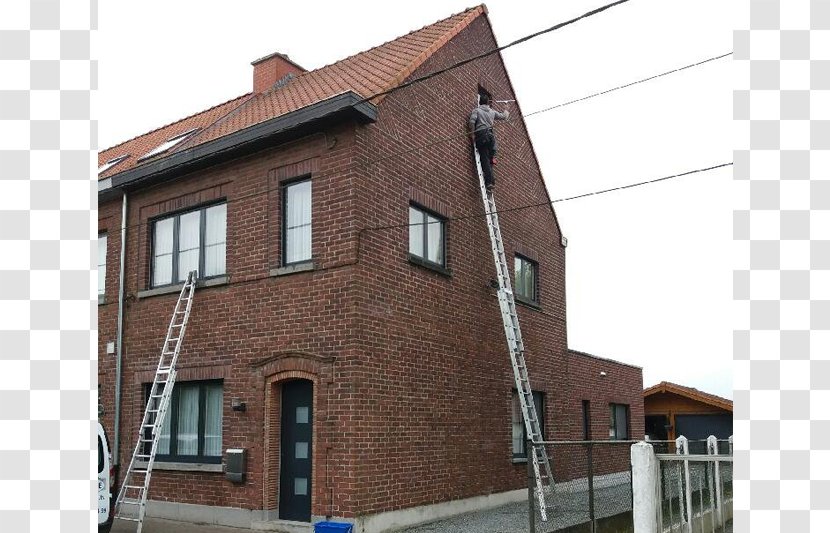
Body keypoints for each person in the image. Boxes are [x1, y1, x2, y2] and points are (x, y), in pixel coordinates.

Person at [468, 94, 509, 190]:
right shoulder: (492, 112)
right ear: (487, 103)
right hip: (490, 136)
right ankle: (493, 159)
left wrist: (472, 134)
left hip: (482, 136)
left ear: (479, 102)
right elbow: (504, 116)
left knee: (484, 159)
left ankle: (489, 182)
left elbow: (471, 122)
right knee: (490, 159)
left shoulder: (477, 111)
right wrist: (506, 108)